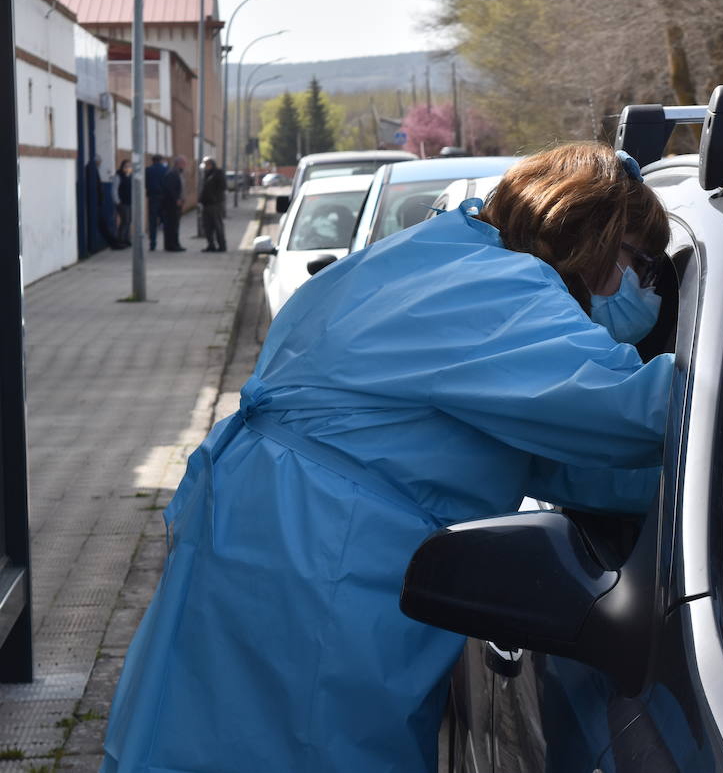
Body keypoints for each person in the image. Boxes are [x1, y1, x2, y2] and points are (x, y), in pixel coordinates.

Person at [101, 142, 675, 772]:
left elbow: (552, 454)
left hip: (264, 532)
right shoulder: (504, 291)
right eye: (640, 264)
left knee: (204, 735)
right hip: (320, 558)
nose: (643, 288)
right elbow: (628, 411)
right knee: (300, 748)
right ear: (591, 233)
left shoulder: (440, 256)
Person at [198, 156, 227, 252]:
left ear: (210, 164)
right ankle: (211, 245)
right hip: (206, 205)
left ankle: (222, 246)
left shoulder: (218, 173)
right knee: (207, 226)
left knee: (217, 226)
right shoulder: (206, 174)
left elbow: (222, 187)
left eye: (206, 165)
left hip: (215, 205)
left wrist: (214, 197)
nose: (205, 167)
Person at [161, 156, 187, 251]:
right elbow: (171, 189)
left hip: (177, 203)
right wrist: (177, 199)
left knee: (175, 225)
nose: (185, 165)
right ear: (178, 163)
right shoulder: (172, 173)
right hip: (171, 205)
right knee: (171, 225)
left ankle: (175, 243)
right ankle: (171, 245)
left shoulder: (179, 173)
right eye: (183, 163)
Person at [144, 155, 167, 251]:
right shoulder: (165, 169)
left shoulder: (148, 170)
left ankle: (152, 244)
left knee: (152, 222)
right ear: (161, 160)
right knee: (165, 220)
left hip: (153, 197)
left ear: (152, 161)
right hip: (164, 198)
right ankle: (167, 242)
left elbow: (145, 183)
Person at [115, 159, 133, 248]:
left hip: (129, 202)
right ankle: (120, 240)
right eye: (126, 166)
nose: (128, 168)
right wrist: (117, 201)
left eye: (129, 166)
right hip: (122, 203)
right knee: (125, 221)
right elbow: (114, 190)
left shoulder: (130, 176)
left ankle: (126, 239)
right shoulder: (118, 176)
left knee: (129, 221)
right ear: (122, 167)